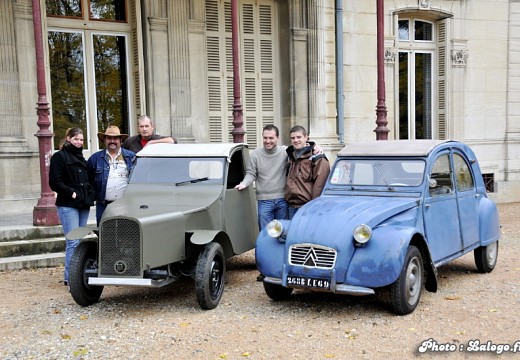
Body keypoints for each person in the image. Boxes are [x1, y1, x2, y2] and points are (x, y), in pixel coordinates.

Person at [235, 125, 324, 231]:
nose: (268, 141)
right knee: (265, 233)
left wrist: (315, 146)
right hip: (264, 201)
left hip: (283, 199)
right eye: (265, 138)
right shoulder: (255, 154)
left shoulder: (286, 152)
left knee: (282, 232)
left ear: (278, 138)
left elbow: (303, 148)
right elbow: (251, 173)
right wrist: (244, 183)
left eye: (271, 138)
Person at [49, 127, 94, 287]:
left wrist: (90, 194)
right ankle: (71, 279)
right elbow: (54, 181)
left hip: (83, 204)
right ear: (68, 138)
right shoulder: (59, 157)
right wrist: (70, 192)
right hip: (68, 204)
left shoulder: (81, 157)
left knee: (78, 240)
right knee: (73, 241)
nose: (79, 142)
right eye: (76, 139)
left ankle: (75, 275)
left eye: (81, 140)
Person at [87, 125, 135, 225]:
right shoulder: (95, 159)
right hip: (103, 205)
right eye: (109, 138)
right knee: (105, 235)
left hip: (126, 205)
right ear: (104, 140)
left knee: (126, 235)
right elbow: (88, 181)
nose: (112, 141)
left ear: (120, 140)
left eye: (115, 138)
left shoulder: (131, 157)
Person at [285, 125, 330, 219]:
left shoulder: (317, 158)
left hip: (308, 207)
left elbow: (320, 185)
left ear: (306, 138)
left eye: (299, 137)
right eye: (293, 138)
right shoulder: (290, 156)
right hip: (291, 206)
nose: (296, 140)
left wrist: (314, 207)